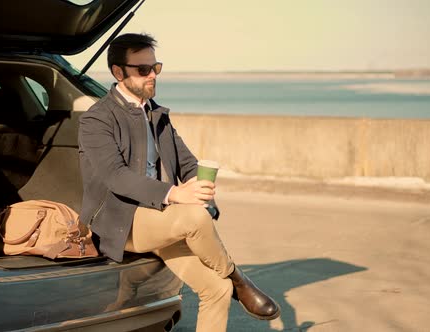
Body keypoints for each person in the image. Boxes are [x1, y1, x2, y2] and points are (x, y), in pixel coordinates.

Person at [78, 33, 280, 331]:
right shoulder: (97, 119)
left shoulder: (157, 114)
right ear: (118, 72)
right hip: (122, 222)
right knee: (194, 219)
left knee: (216, 289)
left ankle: (229, 284)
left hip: (162, 219)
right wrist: (174, 194)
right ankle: (238, 278)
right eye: (142, 70)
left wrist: (203, 192)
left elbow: (187, 164)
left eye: (155, 68)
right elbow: (115, 176)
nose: (152, 76)